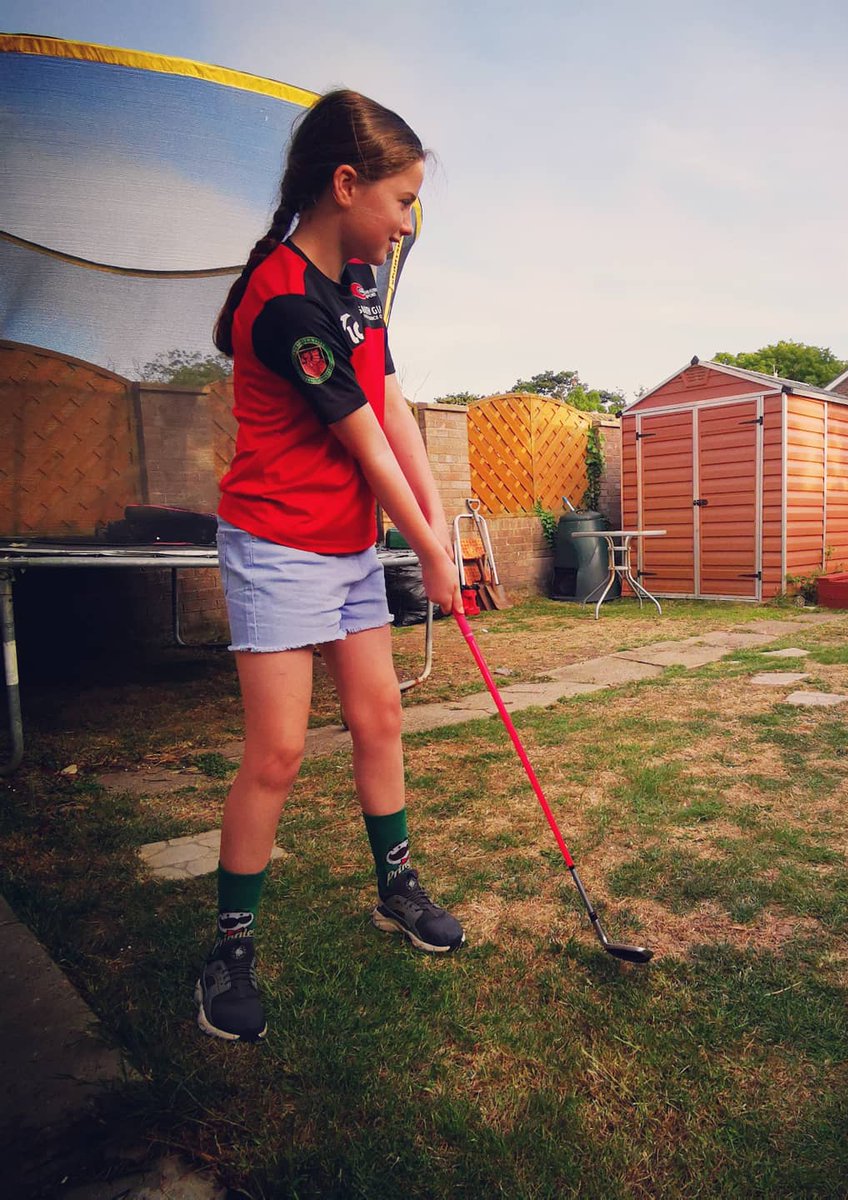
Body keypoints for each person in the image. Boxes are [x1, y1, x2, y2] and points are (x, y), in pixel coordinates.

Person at [197, 90, 464, 1043]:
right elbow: (360, 442)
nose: (405, 224)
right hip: (275, 546)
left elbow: (393, 406)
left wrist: (440, 525)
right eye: (399, 202)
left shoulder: (358, 281)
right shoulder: (283, 298)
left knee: (380, 715)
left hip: (349, 545)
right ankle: (229, 949)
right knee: (276, 753)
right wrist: (429, 552)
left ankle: (395, 888)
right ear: (345, 185)